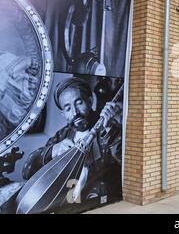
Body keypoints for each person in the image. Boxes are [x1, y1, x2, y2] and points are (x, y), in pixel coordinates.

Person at [21, 77, 122, 210]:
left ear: (90, 101)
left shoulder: (109, 127)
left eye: (79, 102)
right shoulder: (61, 136)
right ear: (63, 114)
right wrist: (53, 150)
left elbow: (128, 165)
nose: (75, 112)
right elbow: (27, 171)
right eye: (68, 108)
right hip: (66, 204)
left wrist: (110, 132)